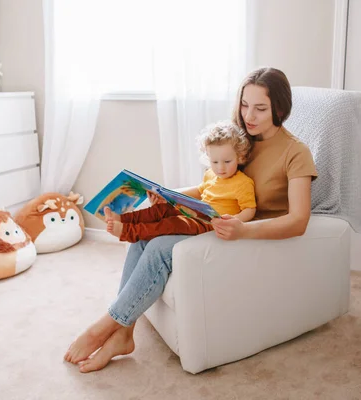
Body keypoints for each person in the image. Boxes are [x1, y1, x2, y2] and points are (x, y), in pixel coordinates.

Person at [64, 67, 318, 373]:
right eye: (244, 104)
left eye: (260, 108)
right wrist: (166, 194)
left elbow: (299, 220)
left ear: (279, 108)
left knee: (159, 247)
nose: (249, 115)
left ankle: (103, 327)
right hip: (217, 223)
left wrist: (243, 230)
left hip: (248, 235)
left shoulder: (296, 153)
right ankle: (124, 334)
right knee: (142, 236)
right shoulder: (243, 140)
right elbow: (210, 187)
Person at [103, 121, 256, 243]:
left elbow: (250, 209)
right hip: (198, 213)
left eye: (227, 161)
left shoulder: (243, 183)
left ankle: (128, 232)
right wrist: (169, 196)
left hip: (211, 224)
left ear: (240, 157)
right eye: (214, 162)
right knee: (162, 209)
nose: (220, 168)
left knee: (173, 223)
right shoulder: (210, 174)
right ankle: (123, 219)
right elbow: (199, 191)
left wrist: (233, 222)